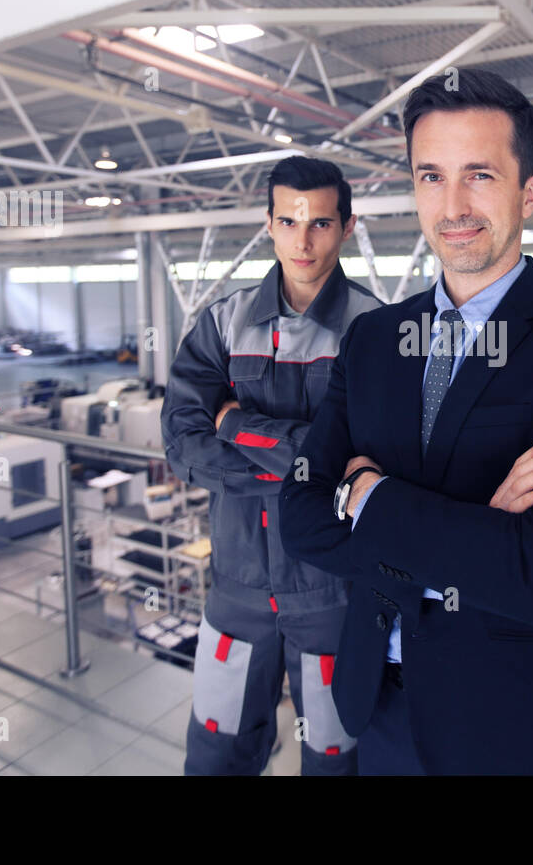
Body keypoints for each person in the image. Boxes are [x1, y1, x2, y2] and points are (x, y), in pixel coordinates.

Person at [279, 68, 533, 774]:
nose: (453, 206)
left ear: (528, 191)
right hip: (380, 707)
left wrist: (367, 496)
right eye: (430, 176)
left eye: (479, 174)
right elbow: (299, 517)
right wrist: (478, 527)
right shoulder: (374, 340)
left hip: (513, 725)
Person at [161, 156, 381, 775]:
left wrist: (235, 425)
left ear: (346, 227)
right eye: (288, 222)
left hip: (331, 594)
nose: (302, 241)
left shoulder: (378, 331)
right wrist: (296, 472)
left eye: (320, 224)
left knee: (337, 759)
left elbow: (367, 459)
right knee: (215, 755)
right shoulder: (222, 323)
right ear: (269, 225)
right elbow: (180, 439)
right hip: (237, 591)